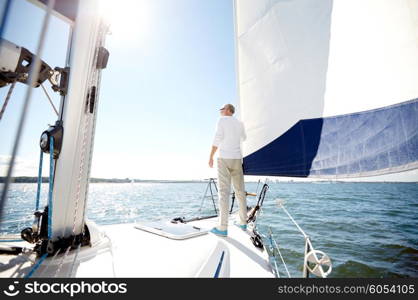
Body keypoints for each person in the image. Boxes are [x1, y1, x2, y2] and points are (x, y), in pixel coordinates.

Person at [208, 103, 247, 237]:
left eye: (222, 109)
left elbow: (217, 138)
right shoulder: (240, 123)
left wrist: (211, 156)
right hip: (237, 159)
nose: (220, 111)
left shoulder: (222, 120)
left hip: (224, 158)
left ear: (229, 110)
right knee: (240, 191)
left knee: (224, 193)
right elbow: (244, 138)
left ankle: (223, 228)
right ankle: (243, 222)